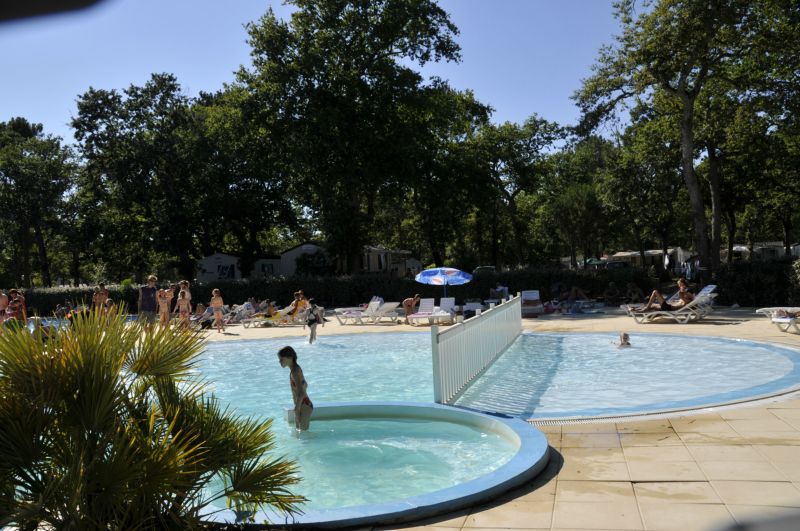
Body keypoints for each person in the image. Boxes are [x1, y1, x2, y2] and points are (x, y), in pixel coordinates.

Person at [278, 346, 313, 431]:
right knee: (300, 432)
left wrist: (297, 409)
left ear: (290, 358)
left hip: (303, 406)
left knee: (302, 434)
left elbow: (301, 392)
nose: (279, 362)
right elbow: (305, 385)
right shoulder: (296, 369)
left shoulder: (294, 371)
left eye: (281, 359)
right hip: (303, 405)